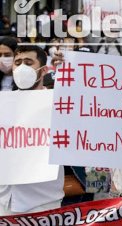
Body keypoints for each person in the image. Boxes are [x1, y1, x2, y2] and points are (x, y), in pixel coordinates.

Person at [0, 45, 64, 215]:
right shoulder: (3, 104)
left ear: (43, 70)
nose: (22, 68)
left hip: (43, 204)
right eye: (18, 62)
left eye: (28, 63)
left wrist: (68, 72)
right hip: (4, 202)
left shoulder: (59, 104)